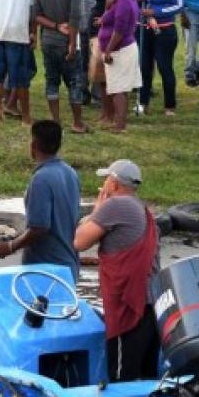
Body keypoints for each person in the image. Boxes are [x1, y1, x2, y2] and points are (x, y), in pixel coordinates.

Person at [73, 159, 160, 382]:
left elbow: (79, 242)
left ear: (113, 184)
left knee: (123, 379)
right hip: (151, 305)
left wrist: (97, 210)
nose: (103, 186)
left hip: (129, 309)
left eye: (105, 181)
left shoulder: (116, 206)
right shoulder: (141, 208)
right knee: (146, 377)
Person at [0, 120, 81, 282]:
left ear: (33, 145)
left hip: (45, 271)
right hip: (69, 266)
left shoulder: (41, 179)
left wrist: (11, 246)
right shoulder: (70, 173)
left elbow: (39, 228)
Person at [32, 0, 86, 133]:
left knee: (51, 80)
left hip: (48, 40)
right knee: (74, 82)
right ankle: (78, 123)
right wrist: (72, 44)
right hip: (67, 42)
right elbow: (74, 18)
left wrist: (54, 26)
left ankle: (55, 120)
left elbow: (36, 16)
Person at [135, 0, 183, 115]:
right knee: (144, 67)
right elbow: (128, 3)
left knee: (164, 67)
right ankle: (143, 103)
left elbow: (179, 5)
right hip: (143, 30)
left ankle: (170, 106)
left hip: (164, 31)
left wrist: (157, 12)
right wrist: (137, 0)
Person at [99, 0, 141, 132]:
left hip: (120, 50)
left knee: (118, 89)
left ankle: (120, 125)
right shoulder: (126, 0)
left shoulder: (123, 2)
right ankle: (119, 121)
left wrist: (108, 50)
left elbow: (119, 29)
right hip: (124, 48)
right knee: (120, 88)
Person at [74, 0, 103, 103]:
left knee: (97, 58)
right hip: (81, 22)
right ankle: (83, 92)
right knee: (82, 59)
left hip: (97, 24)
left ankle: (98, 93)